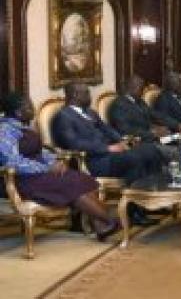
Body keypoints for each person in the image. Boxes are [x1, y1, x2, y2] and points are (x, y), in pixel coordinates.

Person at [0, 92, 120, 241]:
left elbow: (39, 151)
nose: (33, 109)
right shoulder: (5, 130)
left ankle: (100, 225)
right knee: (70, 184)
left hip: (37, 175)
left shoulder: (24, 127)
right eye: (29, 106)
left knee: (82, 178)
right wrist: (46, 168)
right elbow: (12, 162)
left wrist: (54, 162)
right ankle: (109, 220)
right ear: (18, 112)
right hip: (20, 180)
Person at [52, 82, 164, 226]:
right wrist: (107, 148)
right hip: (94, 161)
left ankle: (152, 202)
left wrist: (122, 141)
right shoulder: (63, 117)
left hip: (112, 155)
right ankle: (134, 212)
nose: (90, 96)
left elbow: (107, 130)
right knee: (134, 159)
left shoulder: (90, 112)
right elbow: (74, 144)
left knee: (151, 151)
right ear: (75, 95)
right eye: (87, 93)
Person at [109, 74, 179, 161]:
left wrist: (175, 125)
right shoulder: (119, 105)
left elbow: (155, 115)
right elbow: (125, 130)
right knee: (176, 152)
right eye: (141, 88)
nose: (143, 91)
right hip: (140, 143)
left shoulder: (139, 101)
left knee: (179, 140)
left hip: (154, 139)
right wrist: (152, 133)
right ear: (132, 88)